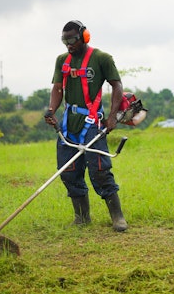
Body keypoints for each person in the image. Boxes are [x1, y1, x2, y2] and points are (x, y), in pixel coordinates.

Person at [43, 20, 128, 232]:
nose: (68, 45)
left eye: (72, 40)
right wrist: (52, 110)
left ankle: (117, 217)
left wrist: (113, 118)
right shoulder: (62, 60)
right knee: (68, 171)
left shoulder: (101, 58)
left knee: (100, 170)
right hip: (68, 123)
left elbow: (117, 86)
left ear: (84, 36)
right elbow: (57, 89)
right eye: (65, 41)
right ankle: (82, 217)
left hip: (92, 123)